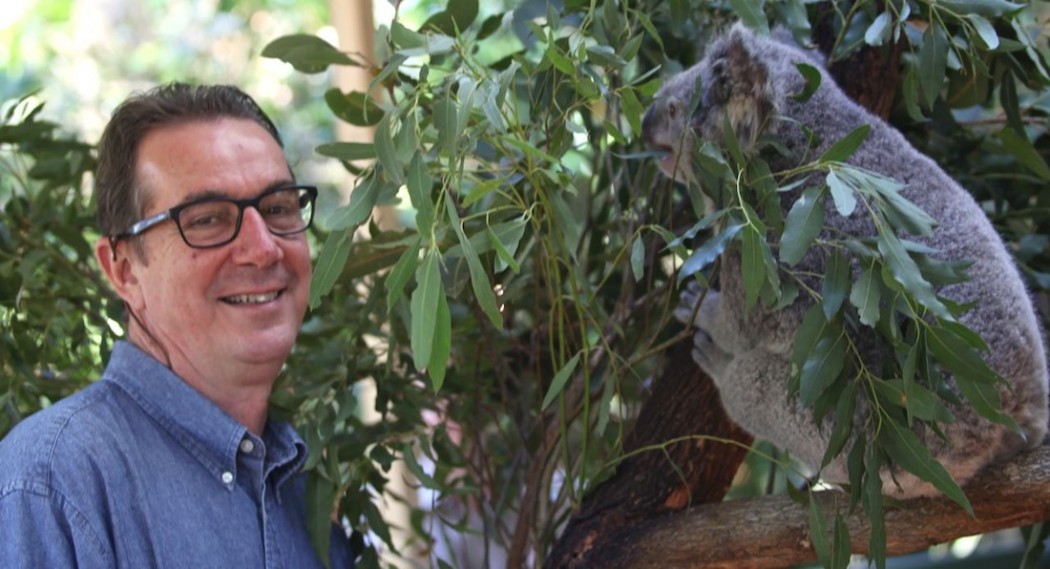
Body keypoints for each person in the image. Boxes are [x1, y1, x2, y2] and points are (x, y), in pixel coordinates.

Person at [0, 83, 353, 568]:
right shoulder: (56, 483)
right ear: (123, 269)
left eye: (277, 208)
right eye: (207, 219)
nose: (264, 247)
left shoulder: (308, 484)